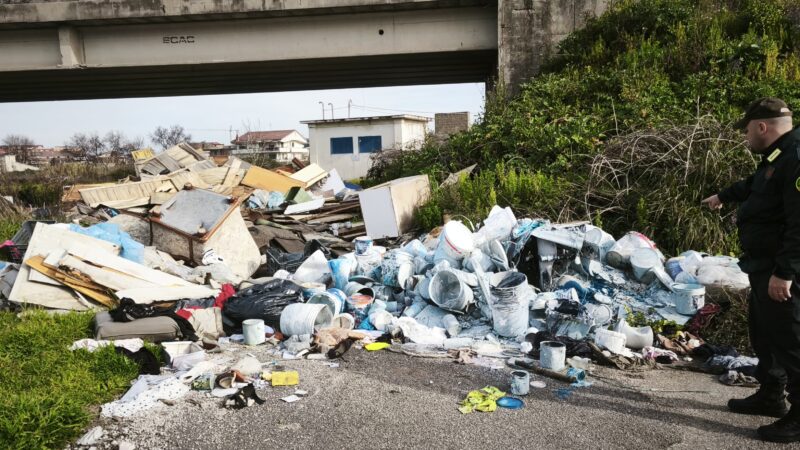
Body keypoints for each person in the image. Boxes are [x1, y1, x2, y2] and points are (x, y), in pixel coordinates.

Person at [702, 97, 800, 443]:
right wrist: (724, 195)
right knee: (766, 333)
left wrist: (785, 272)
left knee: (791, 341)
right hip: (763, 267)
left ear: (762, 126)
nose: (746, 139)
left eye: (747, 131)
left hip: (781, 272)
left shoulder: (796, 157)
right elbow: (758, 186)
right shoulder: (777, 156)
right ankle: (771, 395)